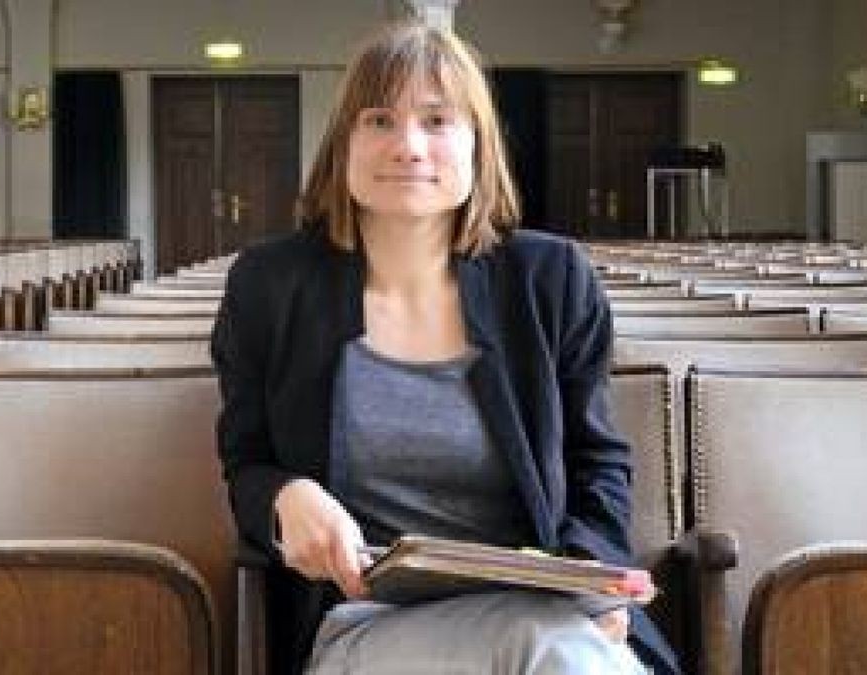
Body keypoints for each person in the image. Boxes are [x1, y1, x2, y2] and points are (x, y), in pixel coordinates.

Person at [210, 21, 678, 675]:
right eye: (379, 120)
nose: (408, 145)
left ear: (478, 146)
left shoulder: (550, 279)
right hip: (365, 619)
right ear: (344, 142)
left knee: (554, 643)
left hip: (541, 605)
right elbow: (247, 462)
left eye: (436, 120)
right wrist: (285, 495)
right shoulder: (270, 284)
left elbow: (597, 463)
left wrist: (589, 577)